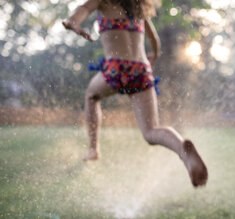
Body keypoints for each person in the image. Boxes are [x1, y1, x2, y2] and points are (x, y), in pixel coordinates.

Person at [62, 0, 208, 187]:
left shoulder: (104, 1)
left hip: (117, 68)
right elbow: (155, 40)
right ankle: (182, 150)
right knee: (151, 131)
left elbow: (83, 9)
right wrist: (153, 56)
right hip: (141, 70)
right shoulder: (138, 8)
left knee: (92, 96)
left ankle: (93, 149)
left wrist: (73, 21)